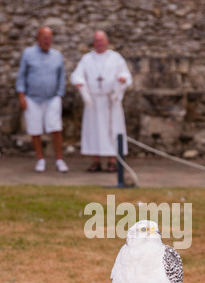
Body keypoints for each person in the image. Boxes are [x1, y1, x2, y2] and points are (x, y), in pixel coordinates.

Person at [70, 30, 132, 172]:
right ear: (94, 43)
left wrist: (122, 79)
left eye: (101, 40)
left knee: (112, 130)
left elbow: (126, 74)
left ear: (107, 41)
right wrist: (79, 82)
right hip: (94, 102)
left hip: (110, 101)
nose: (99, 43)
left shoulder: (115, 57)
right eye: (97, 41)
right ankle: (95, 161)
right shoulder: (87, 59)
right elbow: (76, 75)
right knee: (94, 131)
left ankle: (112, 161)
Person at [16, 26, 69, 173]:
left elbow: (61, 77)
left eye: (49, 37)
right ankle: (40, 159)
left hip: (52, 98)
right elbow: (21, 75)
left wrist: (59, 94)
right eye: (44, 37)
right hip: (33, 98)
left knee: (56, 129)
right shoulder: (28, 54)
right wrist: (21, 95)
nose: (47, 40)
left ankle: (59, 160)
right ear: (38, 38)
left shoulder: (57, 55)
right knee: (35, 130)